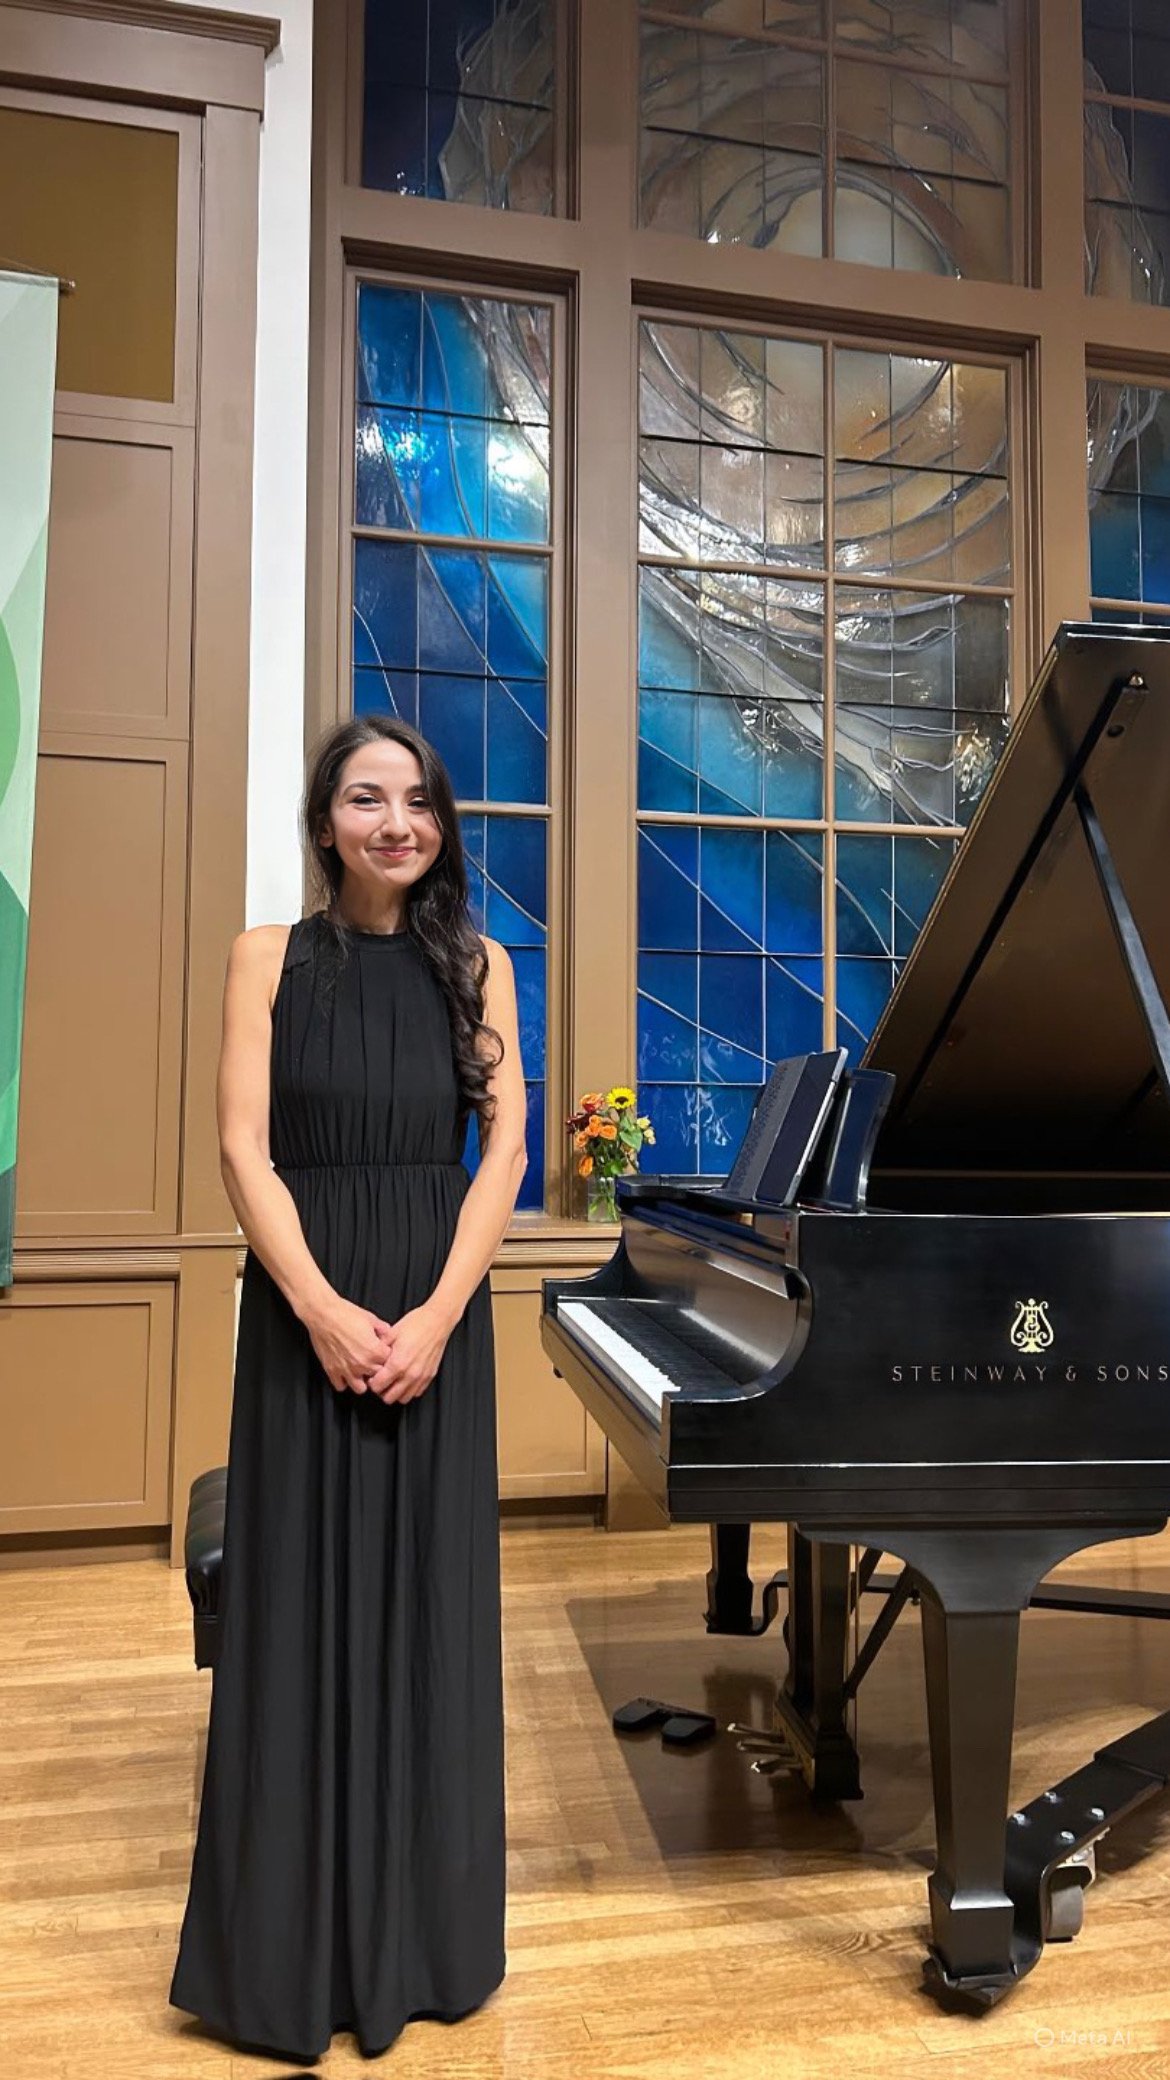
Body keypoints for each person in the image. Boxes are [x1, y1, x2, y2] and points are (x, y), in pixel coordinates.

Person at [170, 716, 527, 2062]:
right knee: (299, 1607)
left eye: (419, 801)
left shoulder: (479, 966)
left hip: (434, 1315)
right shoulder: (265, 958)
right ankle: (284, 1954)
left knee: (426, 1611)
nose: (398, 822)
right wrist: (317, 1307)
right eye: (368, 799)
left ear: (438, 823)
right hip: (303, 1313)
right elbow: (240, 1149)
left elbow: (502, 1157)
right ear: (326, 821)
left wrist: (435, 1315)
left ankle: (424, 1942)